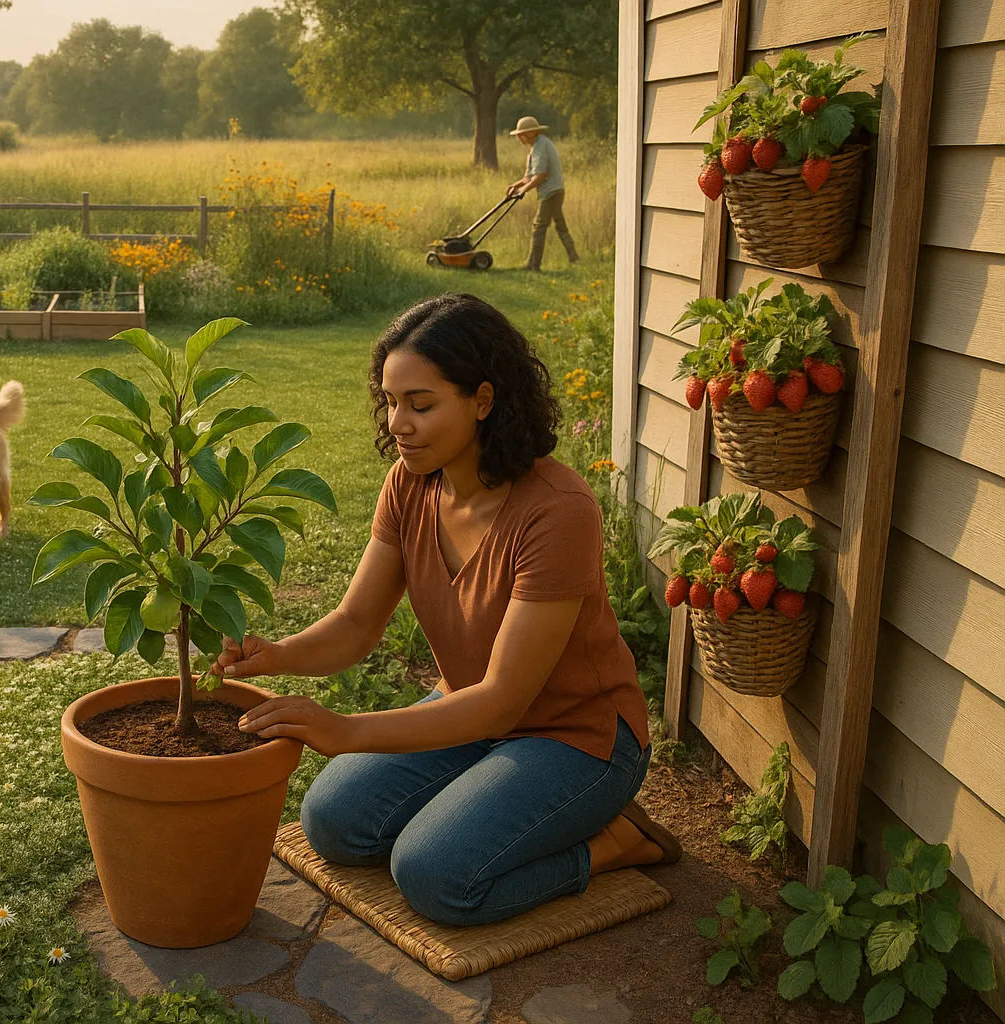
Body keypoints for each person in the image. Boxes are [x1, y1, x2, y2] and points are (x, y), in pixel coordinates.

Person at [215, 293, 679, 928]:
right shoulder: (411, 482)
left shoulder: (558, 510)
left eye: (421, 404)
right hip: (471, 714)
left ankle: (617, 841)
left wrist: (346, 730)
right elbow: (357, 624)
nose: (397, 422)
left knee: (434, 875)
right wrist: (280, 656)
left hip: (577, 738)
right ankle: (485, 803)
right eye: (390, 401)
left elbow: (502, 702)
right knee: (333, 822)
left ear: (483, 401)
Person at [506, 115, 580, 271]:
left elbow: (541, 175)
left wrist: (522, 191)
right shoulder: (535, 148)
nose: (519, 137)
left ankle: (533, 265)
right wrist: (515, 185)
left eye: (522, 134)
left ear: (532, 133)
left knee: (538, 227)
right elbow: (529, 176)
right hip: (554, 191)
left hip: (551, 192)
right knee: (560, 226)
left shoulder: (541, 146)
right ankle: (574, 259)